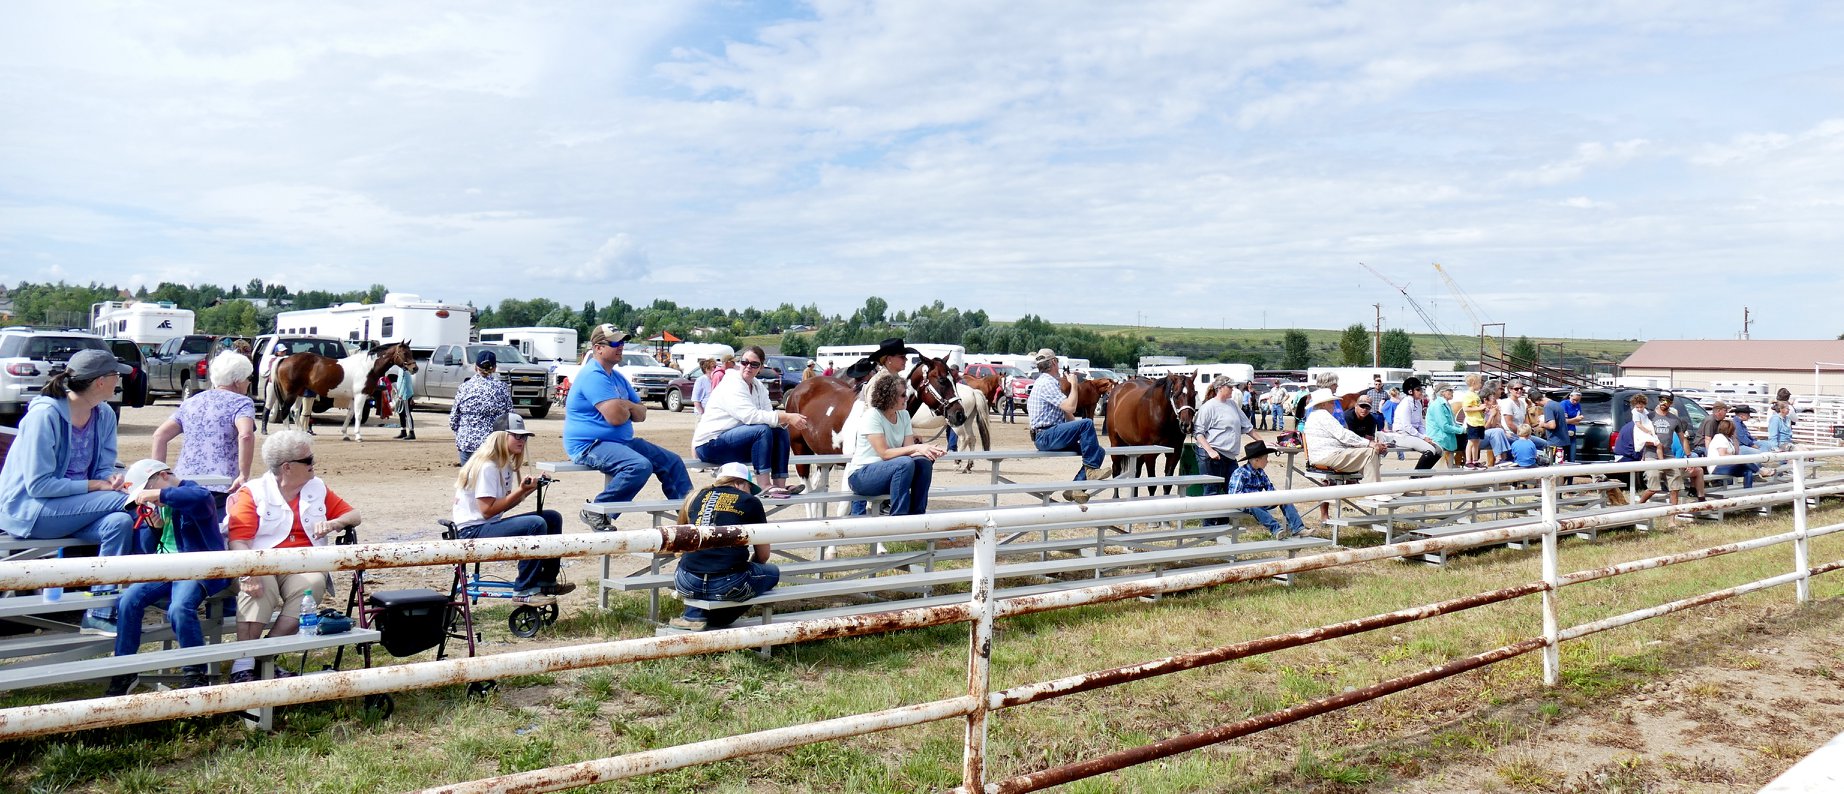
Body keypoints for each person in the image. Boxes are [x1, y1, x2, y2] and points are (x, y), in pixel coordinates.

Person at [0, 349, 136, 636]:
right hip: (30, 509)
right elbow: (38, 485)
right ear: (100, 381)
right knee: (125, 504)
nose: (119, 381)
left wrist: (110, 479)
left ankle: (99, 612)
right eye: (115, 375)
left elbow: (102, 468)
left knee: (120, 522)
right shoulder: (44, 415)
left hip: (78, 506)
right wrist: (97, 487)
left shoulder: (105, 414)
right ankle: (161, 575)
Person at [225, 430, 363, 682]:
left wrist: (336, 523)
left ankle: (265, 658)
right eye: (308, 460)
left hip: (301, 563)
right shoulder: (252, 492)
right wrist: (248, 571)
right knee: (259, 586)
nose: (314, 464)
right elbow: (239, 542)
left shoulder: (316, 487)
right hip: (258, 562)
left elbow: (354, 515)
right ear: (287, 467)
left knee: (312, 584)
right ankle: (242, 665)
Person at [103, 460, 232, 695]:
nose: (149, 499)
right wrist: (155, 528)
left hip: (197, 568)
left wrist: (158, 494)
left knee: (180, 608)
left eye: (149, 490)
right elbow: (146, 548)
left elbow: (201, 499)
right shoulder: (159, 505)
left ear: (163, 476)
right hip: (167, 567)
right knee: (128, 600)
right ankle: (124, 670)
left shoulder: (193, 493)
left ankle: (195, 673)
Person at [565, 324, 692, 531]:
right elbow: (616, 418)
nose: (621, 346)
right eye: (615, 342)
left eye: (622, 342)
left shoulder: (616, 377)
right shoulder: (593, 375)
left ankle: (691, 517)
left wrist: (626, 406)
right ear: (598, 348)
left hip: (620, 443)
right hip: (590, 445)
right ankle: (596, 509)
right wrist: (627, 408)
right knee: (639, 466)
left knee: (672, 462)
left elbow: (641, 414)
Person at [452, 419, 575, 599]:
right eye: (517, 436)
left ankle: (547, 581)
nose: (522, 441)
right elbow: (487, 511)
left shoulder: (502, 465)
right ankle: (525, 588)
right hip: (471, 532)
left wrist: (529, 490)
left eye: (524, 437)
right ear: (501, 437)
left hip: (485, 526)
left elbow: (501, 507)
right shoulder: (488, 467)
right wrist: (520, 490)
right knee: (536, 524)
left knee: (552, 518)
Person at [669, 462, 780, 631]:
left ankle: (694, 615)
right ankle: (718, 621)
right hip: (728, 582)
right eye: (750, 487)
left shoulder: (696, 496)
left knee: (699, 564)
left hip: (685, 581)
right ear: (741, 483)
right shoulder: (750, 502)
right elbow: (763, 555)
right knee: (773, 572)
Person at [692, 346, 811, 497]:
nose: (748, 367)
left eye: (754, 364)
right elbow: (750, 416)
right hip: (709, 445)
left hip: (733, 442)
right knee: (761, 430)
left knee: (779, 429)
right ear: (739, 363)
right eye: (744, 362)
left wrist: (785, 419)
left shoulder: (758, 386)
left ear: (760, 367)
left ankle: (779, 485)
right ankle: (765, 486)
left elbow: (769, 415)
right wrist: (787, 416)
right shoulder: (732, 383)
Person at [151, 351, 255, 512]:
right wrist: (244, 475)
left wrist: (159, 475)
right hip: (222, 484)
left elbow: (160, 435)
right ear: (237, 380)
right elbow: (246, 434)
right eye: (248, 378)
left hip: (184, 483)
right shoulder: (241, 403)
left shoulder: (191, 401)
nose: (248, 383)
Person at [845, 372, 946, 516]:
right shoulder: (872, 416)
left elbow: (909, 451)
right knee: (904, 463)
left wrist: (929, 451)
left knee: (923, 462)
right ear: (889, 397)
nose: (906, 398)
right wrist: (918, 447)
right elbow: (884, 453)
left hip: (892, 472)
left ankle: (917, 516)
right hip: (861, 476)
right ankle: (898, 519)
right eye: (903, 395)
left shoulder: (904, 415)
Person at [1026, 348, 1113, 504]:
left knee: (1097, 451)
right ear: (1053, 362)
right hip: (1046, 435)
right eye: (1057, 362)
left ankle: (1075, 488)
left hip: (1049, 434)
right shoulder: (1047, 383)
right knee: (1087, 423)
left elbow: (1068, 415)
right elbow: (1070, 407)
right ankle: (1090, 472)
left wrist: (1084, 435)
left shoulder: (1045, 382)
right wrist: (1074, 385)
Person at [1194, 376, 1254, 525]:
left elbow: (1247, 427)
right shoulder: (1208, 407)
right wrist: (1210, 451)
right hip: (1212, 455)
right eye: (1230, 387)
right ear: (1220, 388)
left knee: (1232, 489)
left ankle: (1223, 523)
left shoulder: (1232, 404)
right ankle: (1207, 527)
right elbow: (1198, 433)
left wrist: (1264, 442)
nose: (1233, 389)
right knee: (1211, 491)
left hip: (1229, 455)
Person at [1302, 388, 1387, 492]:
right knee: (1371, 453)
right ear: (1323, 404)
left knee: (1371, 453)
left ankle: (1371, 488)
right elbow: (1343, 435)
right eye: (1332, 402)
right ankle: (1375, 491)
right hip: (1328, 456)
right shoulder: (1323, 416)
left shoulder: (1315, 416)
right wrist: (1370, 443)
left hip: (1324, 455)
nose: (1334, 405)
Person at [1227, 440, 1306, 538]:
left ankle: (1298, 528)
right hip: (1244, 503)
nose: (1267, 461)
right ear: (1256, 460)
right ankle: (1276, 530)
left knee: (1284, 499)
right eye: (1265, 458)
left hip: (1259, 501)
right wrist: (1253, 499)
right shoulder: (1240, 473)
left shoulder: (1261, 472)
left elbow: (1270, 489)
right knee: (1253, 505)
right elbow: (1234, 495)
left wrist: (1277, 497)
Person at [450, 350, 513, 465]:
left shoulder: (464, 387)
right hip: (493, 444)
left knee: (468, 480)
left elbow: (453, 420)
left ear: (475, 367)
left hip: (467, 442)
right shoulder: (502, 389)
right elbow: (510, 417)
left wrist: (462, 433)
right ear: (494, 368)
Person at [1385, 377, 1444, 470]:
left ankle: (1423, 474)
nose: (1421, 392)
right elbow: (1407, 426)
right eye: (1418, 389)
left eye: (1421, 389)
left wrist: (1425, 436)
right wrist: (1423, 437)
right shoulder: (1405, 404)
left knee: (1439, 450)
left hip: (1412, 434)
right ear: (1410, 391)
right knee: (1430, 450)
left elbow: (1420, 424)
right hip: (1402, 435)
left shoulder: (1418, 403)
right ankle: (1415, 476)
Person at [1707, 418, 1758, 489]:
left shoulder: (1729, 439)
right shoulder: (1719, 437)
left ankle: (1748, 491)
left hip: (1727, 465)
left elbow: (1736, 453)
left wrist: (1735, 440)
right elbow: (1723, 455)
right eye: (1733, 429)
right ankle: (1760, 471)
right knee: (1743, 460)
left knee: (1748, 471)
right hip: (1717, 467)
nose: (1735, 431)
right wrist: (1737, 458)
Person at [1426, 385, 1467, 468]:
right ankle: (1469, 461)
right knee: (1469, 439)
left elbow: (1453, 424)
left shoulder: (1446, 404)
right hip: (1439, 437)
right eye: (1449, 390)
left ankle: (1467, 461)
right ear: (1442, 393)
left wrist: (1464, 429)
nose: (1452, 392)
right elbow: (1444, 426)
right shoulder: (1438, 405)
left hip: (1444, 435)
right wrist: (1462, 430)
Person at [1457, 374, 1486, 467]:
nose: (1481, 384)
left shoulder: (1475, 395)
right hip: (1472, 422)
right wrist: (1479, 408)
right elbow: (1466, 408)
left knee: (1477, 442)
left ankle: (1475, 460)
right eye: (1479, 382)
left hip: (1479, 421)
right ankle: (1468, 461)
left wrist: (1483, 408)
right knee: (1471, 442)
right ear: (1474, 383)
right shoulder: (1468, 395)